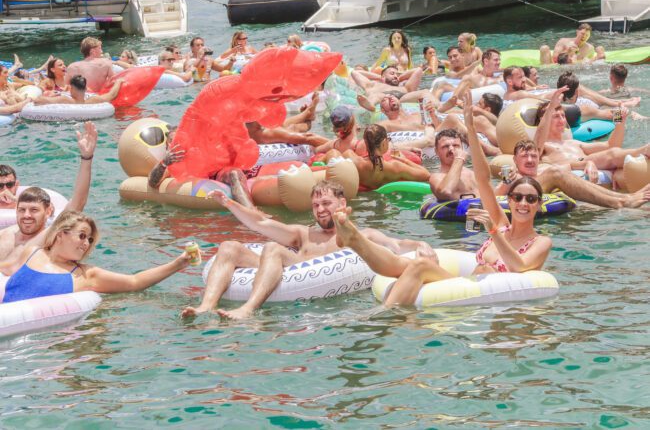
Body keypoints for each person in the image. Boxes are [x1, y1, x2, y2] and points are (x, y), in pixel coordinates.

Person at [333, 95, 551, 305]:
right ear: (510, 201)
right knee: (409, 264)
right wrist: (471, 130)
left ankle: (381, 317)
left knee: (419, 267)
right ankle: (355, 241)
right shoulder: (503, 225)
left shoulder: (539, 241)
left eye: (531, 199)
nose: (523, 203)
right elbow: (484, 181)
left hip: (484, 297)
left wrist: (492, 230)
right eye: (518, 197)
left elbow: (519, 264)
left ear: (539, 204)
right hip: (467, 286)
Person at [181, 180, 434, 319]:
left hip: (318, 292)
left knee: (273, 250)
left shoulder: (361, 236)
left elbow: (397, 245)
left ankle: (247, 310)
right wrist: (228, 203)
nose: (321, 209)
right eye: (316, 205)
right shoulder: (302, 233)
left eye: (326, 203)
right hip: (288, 272)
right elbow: (260, 223)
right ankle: (206, 306)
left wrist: (421, 244)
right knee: (228, 246)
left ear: (342, 203)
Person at [0, 210, 195, 303]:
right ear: (61, 234)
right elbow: (7, 268)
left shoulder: (86, 275)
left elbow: (135, 281)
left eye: (90, 240)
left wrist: (178, 263)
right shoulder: (32, 253)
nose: (86, 243)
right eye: (82, 236)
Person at [0, 122, 97, 261]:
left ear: (48, 211)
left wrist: (86, 158)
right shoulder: (5, 235)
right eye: (22, 210)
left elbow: (78, 201)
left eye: (34, 210)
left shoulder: (47, 236)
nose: (27, 215)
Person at [495, 138, 650, 209]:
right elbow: (495, 197)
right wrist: (507, 183)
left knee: (557, 171)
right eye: (524, 156)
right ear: (515, 160)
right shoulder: (513, 176)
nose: (530, 160)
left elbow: (573, 165)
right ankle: (621, 201)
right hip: (527, 194)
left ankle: (626, 197)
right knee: (555, 172)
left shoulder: (544, 168)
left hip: (553, 192)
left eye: (534, 156)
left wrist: (589, 163)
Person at [534, 86, 649, 173]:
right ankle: (644, 150)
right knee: (612, 154)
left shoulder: (574, 143)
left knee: (619, 170)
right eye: (555, 116)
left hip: (590, 167)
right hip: (573, 170)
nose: (561, 120)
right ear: (544, 120)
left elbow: (612, 145)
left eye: (563, 116)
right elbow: (537, 146)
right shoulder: (543, 146)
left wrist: (620, 121)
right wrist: (550, 108)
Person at [341, 125, 429, 189]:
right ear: (384, 142)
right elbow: (426, 175)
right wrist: (405, 160)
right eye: (388, 140)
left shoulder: (356, 163)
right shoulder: (396, 167)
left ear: (365, 142)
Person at [428, 128, 478, 200]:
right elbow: (445, 191)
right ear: (436, 151)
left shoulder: (472, 174)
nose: (451, 149)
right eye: (445, 146)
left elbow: (491, 196)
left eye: (455, 145)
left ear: (462, 148)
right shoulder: (436, 178)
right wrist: (459, 159)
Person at [351, 65, 424, 111]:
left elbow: (418, 70)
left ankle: (435, 106)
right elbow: (355, 73)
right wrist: (380, 77)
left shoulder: (405, 87)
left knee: (424, 92)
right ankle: (370, 104)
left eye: (397, 74)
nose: (395, 76)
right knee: (377, 95)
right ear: (383, 77)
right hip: (381, 97)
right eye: (392, 73)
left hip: (402, 98)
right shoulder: (373, 84)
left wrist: (399, 77)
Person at [36, 74, 122, 105]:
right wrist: (118, 82)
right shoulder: (93, 100)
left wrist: (51, 95)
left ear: (72, 88)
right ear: (85, 89)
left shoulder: (65, 100)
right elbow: (112, 95)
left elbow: (38, 100)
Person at [540, 23, 604, 64]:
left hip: (576, 68)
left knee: (600, 51)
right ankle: (547, 70)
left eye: (587, 35)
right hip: (559, 65)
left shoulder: (590, 48)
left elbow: (588, 63)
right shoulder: (563, 41)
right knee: (544, 48)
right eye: (582, 34)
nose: (584, 37)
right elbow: (555, 59)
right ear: (577, 32)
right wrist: (567, 52)